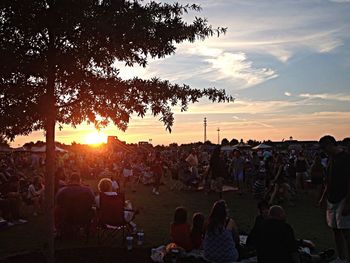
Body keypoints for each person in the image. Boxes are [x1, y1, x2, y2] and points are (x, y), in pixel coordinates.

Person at [255, 205, 334, 263]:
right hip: (281, 259)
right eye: (283, 214)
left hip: (263, 259)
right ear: (280, 215)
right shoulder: (285, 227)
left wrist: (302, 242)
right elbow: (293, 249)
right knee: (305, 257)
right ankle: (321, 256)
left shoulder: (261, 226)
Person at [319, 135, 350, 263]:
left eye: (324, 148)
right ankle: (341, 258)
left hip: (343, 198)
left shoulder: (346, 158)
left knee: (346, 232)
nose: (324, 151)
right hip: (331, 199)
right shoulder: (331, 159)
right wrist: (323, 197)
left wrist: (348, 202)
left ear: (330, 145)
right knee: (335, 229)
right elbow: (328, 181)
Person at [55, 172, 95, 237]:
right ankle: (89, 231)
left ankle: (58, 230)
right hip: (83, 216)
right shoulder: (88, 190)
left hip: (66, 216)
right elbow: (93, 202)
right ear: (80, 180)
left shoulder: (62, 191)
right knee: (93, 210)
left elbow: (57, 202)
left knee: (56, 209)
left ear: (70, 180)